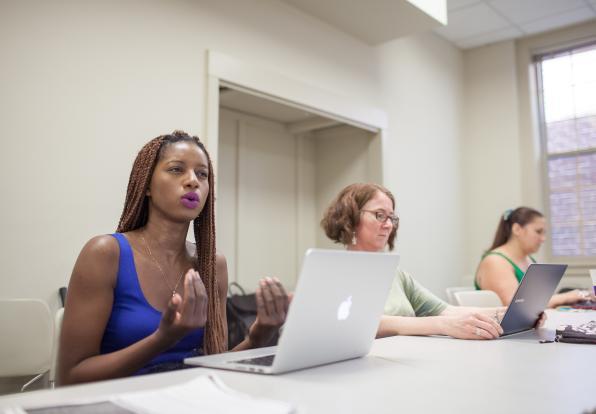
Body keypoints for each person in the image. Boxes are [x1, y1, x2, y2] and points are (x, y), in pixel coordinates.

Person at [58, 131, 289, 385]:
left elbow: (214, 364)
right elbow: (71, 378)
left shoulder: (213, 264)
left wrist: (258, 337)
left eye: (202, 174)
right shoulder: (104, 253)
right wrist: (163, 338)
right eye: (177, 169)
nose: (193, 181)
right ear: (146, 185)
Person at [321, 183, 504, 340]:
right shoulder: (335, 271)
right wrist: (441, 325)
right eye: (379, 215)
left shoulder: (396, 274)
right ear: (351, 218)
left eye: (391, 217)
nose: (389, 224)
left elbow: (446, 311)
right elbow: (363, 321)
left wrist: (505, 313)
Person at [475, 207, 592, 307]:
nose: (543, 238)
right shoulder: (495, 261)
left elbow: (538, 301)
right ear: (517, 229)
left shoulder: (529, 260)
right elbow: (514, 306)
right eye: (538, 231)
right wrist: (570, 296)